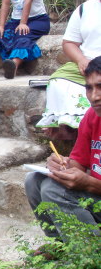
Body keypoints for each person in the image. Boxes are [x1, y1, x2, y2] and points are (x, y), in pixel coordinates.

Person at [25, 56, 101, 239]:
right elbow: (78, 164)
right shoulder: (92, 116)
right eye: (89, 88)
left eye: (100, 87)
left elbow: (87, 181)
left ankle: (88, 257)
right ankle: (60, 245)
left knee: (53, 191)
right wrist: (62, 165)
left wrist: (89, 183)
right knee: (33, 181)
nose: (94, 96)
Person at [36, 0, 101, 139]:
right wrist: (81, 60)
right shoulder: (84, 9)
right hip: (88, 64)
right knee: (58, 81)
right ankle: (70, 130)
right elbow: (69, 43)